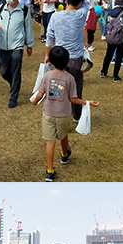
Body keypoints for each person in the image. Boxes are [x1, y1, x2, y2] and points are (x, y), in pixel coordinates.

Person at [32, 45, 99, 181]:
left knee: (50, 142)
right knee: (63, 136)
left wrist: (34, 102)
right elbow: (73, 99)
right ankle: (64, 154)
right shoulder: (69, 78)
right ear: (67, 61)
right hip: (64, 115)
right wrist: (87, 102)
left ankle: (50, 171)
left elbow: (39, 95)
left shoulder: (47, 76)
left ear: (50, 61)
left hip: (48, 114)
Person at [45, 0, 90, 119]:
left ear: (66, 1)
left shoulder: (55, 16)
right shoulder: (80, 15)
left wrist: (47, 55)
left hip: (58, 58)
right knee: (76, 89)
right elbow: (86, 3)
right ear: (79, 3)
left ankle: (57, 112)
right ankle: (76, 115)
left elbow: (49, 37)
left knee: (58, 87)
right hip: (75, 58)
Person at [0, 0, 34, 108]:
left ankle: (14, 96)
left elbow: (28, 28)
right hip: (2, 45)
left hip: (17, 45)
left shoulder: (24, 10)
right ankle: (14, 84)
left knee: (16, 69)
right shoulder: (1, 8)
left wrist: (30, 44)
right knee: (3, 70)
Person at [101, 0, 123, 81]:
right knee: (119, 57)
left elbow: (107, 23)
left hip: (111, 36)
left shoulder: (111, 12)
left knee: (108, 54)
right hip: (120, 37)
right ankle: (115, 76)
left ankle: (104, 71)